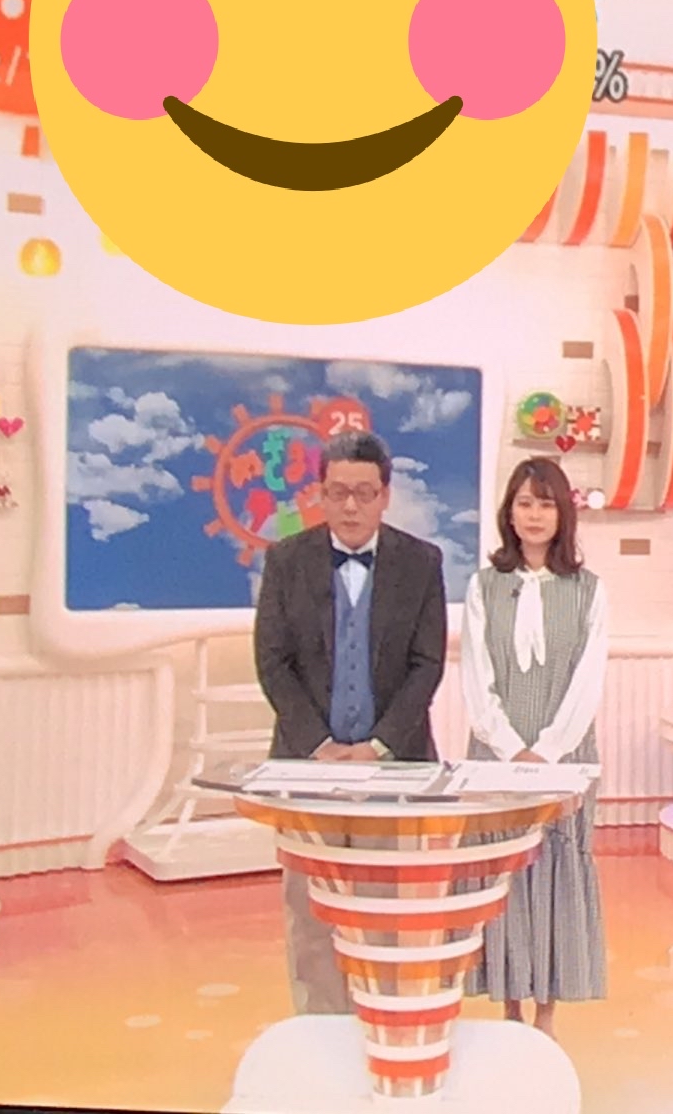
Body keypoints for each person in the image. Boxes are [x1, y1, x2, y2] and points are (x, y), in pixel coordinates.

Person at [252, 429, 447, 1015]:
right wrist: (320, 745)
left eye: (364, 493)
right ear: (320, 493)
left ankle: (380, 1019)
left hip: (393, 767)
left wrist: (378, 745)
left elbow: (427, 664)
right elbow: (273, 662)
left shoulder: (421, 562)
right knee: (310, 908)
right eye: (338, 493)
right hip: (306, 767)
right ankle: (320, 1024)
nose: (351, 507)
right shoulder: (286, 560)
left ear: (385, 495)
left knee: (385, 905)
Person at [458, 456, 609, 1037]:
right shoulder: (483, 586)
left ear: (563, 512)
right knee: (503, 870)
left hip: (565, 757)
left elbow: (588, 679)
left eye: (546, 503)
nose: (535, 515)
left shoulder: (589, 590)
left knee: (554, 869)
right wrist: (507, 747)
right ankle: (508, 1007)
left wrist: (546, 753)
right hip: (495, 754)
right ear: (510, 512)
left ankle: (546, 1011)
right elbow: (476, 675)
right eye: (525, 503)